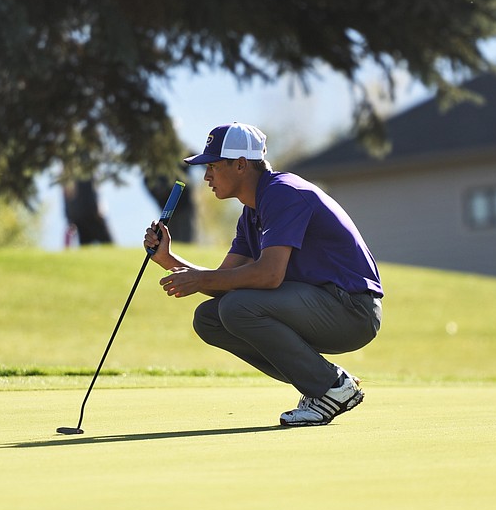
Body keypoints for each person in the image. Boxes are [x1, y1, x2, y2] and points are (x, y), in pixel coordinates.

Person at [144, 122, 383, 427]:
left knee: (237, 307)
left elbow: (269, 275)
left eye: (214, 166)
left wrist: (200, 279)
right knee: (209, 318)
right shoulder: (252, 212)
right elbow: (225, 280)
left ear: (241, 165)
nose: (206, 176)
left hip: (352, 309)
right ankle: (325, 385)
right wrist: (167, 259)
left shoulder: (283, 194)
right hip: (320, 306)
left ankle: (330, 387)